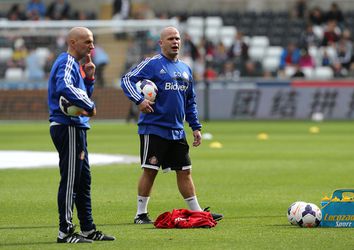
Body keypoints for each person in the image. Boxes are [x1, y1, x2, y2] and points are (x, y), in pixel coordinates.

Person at [121, 26, 223, 224]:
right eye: (170, 39)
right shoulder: (152, 64)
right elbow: (126, 79)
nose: (175, 42)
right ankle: (140, 214)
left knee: (185, 171)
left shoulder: (185, 69)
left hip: (177, 130)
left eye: (177, 38)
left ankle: (197, 212)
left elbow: (190, 101)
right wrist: (139, 100)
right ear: (161, 43)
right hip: (154, 128)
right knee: (150, 170)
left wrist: (195, 127)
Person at [48, 27, 115, 243]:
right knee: (70, 180)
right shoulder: (67, 61)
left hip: (76, 127)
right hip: (67, 126)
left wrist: (89, 79)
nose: (92, 46)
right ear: (73, 42)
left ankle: (87, 228)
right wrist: (89, 104)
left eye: (92, 41)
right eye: (87, 41)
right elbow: (64, 87)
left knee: (83, 180)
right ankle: (65, 231)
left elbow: (77, 93)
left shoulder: (76, 66)